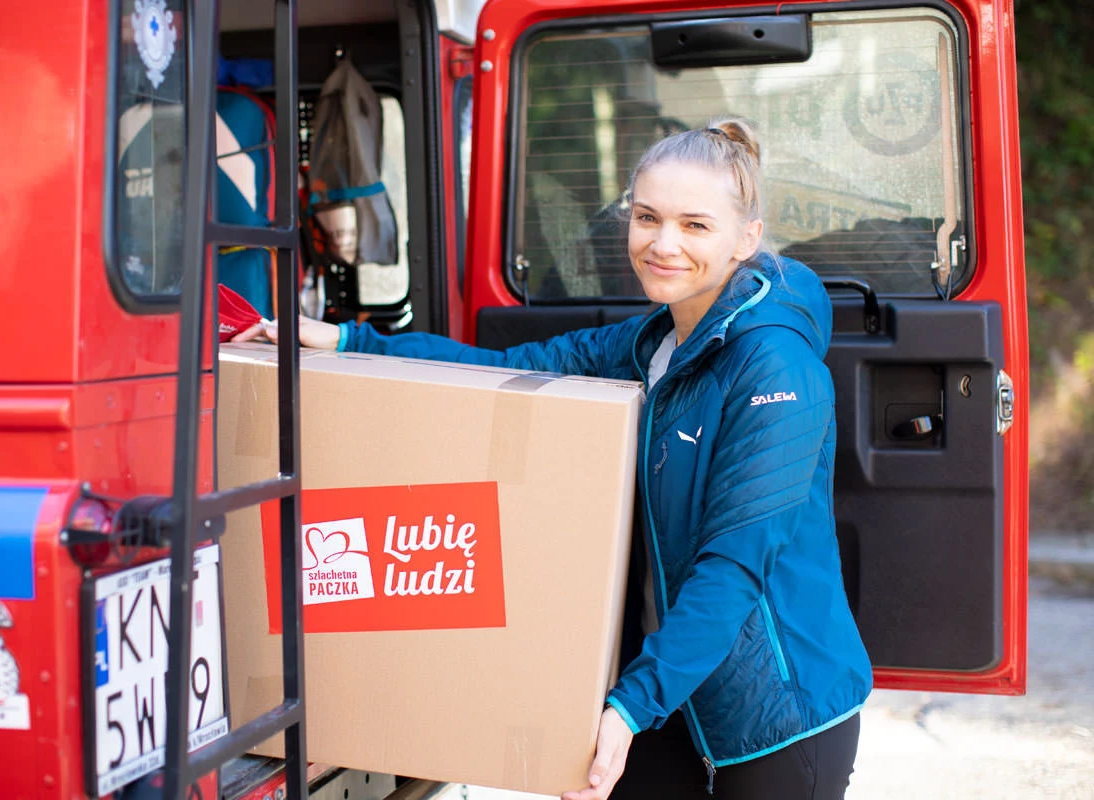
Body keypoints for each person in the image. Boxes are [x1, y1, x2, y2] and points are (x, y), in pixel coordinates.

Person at [299, 117, 873, 800]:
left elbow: (734, 567)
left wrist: (630, 708)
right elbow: (506, 369)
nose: (663, 245)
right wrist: (344, 342)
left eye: (695, 226)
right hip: (669, 694)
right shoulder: (652, 342)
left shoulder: (777, 370)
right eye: (647, 217)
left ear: (746, 239)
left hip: (777, 712)